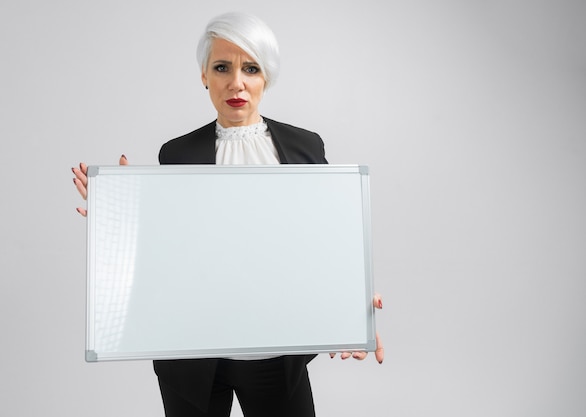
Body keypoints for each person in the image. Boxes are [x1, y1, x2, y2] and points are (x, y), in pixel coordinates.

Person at [72, 11, 384, 417]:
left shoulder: (306, 148)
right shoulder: (177, 155)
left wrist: (355, 308)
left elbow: (326, 243)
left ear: (265, 76)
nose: (236, 82)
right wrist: (124, 211)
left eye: (250, 68)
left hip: (277, 354)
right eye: (222, 67)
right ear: (204, 75)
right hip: (194, 356)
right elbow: (171, 252)